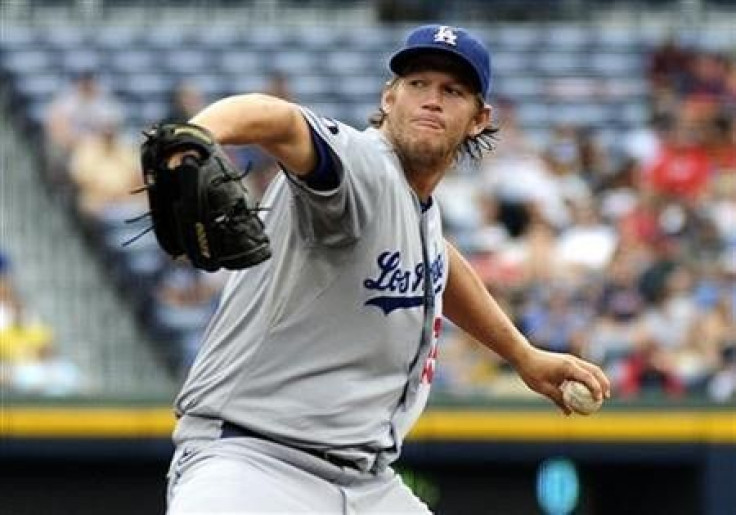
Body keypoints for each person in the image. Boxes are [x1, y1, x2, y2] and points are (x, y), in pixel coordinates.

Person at [164, 24, 610, 514]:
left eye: (452, 90)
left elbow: (438, 262)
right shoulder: (361, 165)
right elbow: (279, 120)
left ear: (479, 118)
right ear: (389, 97)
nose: (432, 100)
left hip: (366, 484)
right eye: (417, 84)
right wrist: (193, 138)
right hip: (254, 466)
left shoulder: (414, 207)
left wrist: (521, 354)